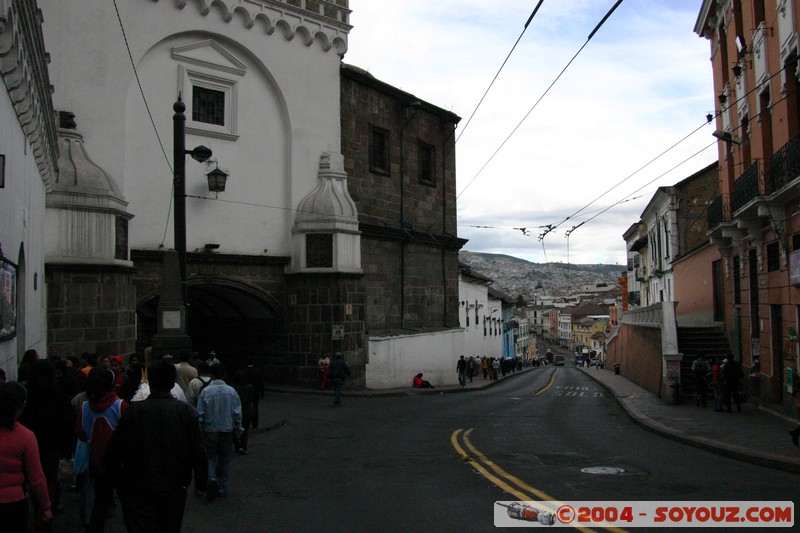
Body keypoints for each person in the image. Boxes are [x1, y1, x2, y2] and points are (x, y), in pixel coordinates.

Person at [106, 359, 207, 533]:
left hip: (138, 485)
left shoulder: (134, 411)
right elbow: (198, 450)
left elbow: (115, 449)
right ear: (172, 381)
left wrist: (117, 481)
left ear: (150, 381)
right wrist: (201, 482)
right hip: (173, 485)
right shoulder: (185, 412)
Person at [17, 360, 75, 533]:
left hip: (29, 447)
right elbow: (67, 424)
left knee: (30, 483)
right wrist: (66, 448)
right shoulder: (59, 397)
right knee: (47, 482)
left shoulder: (28, 397)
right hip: (51, 449)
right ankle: (45, 514)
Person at [75, 367, 128, 532]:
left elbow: (81, 433)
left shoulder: (85, 407)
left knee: (100, 501)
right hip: (119, 464)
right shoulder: (121, 406)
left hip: (96, 461)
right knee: (127, 502)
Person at [0, 382, 53, 533]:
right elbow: (36, 478)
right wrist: (46, 505)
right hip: (13, 502)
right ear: (21, 405)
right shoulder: (25, 436)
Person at [196, 363, 242, 501]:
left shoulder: (206, 392)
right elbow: (237, 412)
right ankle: (222, 486)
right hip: (227, 428)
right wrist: (238, 428)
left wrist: (199, 429)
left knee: (209, 456)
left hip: (209, 429)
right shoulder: (231, 391)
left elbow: (200, 413)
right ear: (225, 374)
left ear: (212, 375)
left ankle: (211, 478)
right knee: (224, 458)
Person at [230, 370, 254, 455]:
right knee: (245, 429)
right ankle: (243, 446)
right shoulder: (250, 387)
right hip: (246, 410)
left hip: (235, 410)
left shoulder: (233, 388)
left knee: (234, 428)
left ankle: (237, 444)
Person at [240, 359, 264, 428]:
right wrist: (262, 393)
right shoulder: (257, 371)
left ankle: (245, 423)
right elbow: (261, 383)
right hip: (255, 392)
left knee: (245, 407)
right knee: (255, 408)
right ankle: (255, 424)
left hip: (245, 391)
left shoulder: (243, 371)